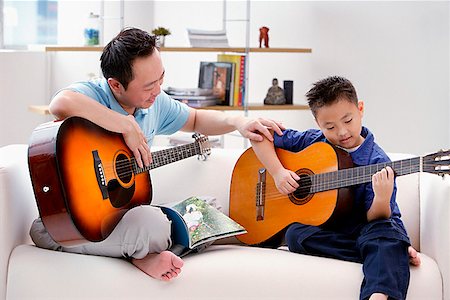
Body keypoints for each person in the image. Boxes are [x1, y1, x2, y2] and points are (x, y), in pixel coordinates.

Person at [29, 27, 284, 282]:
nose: (158, 90)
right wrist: (124, 123)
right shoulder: (95, 94)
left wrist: (237, 121)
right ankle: (145, 253)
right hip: (79, 217)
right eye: (150, 85)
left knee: (207, 209)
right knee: (154, 226)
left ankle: (143, 250)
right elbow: (60, 103)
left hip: (124, 216)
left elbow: (195, 119)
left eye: (161, 79)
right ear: (116, 85)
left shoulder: (154, 103)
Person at [249, 76, 421, 300]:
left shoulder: (377, 161)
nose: (342, 132)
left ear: (360, 109)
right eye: (330, 126)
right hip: (332, 229)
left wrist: (382, 196)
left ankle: (379, 286)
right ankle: (387, 252)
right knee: (294, 235)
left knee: (382, 233)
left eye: (348, 120)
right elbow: (258, 135)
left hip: (369, 225)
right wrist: (277, 172)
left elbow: (377, 217)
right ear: (318, 124)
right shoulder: (313, 141)